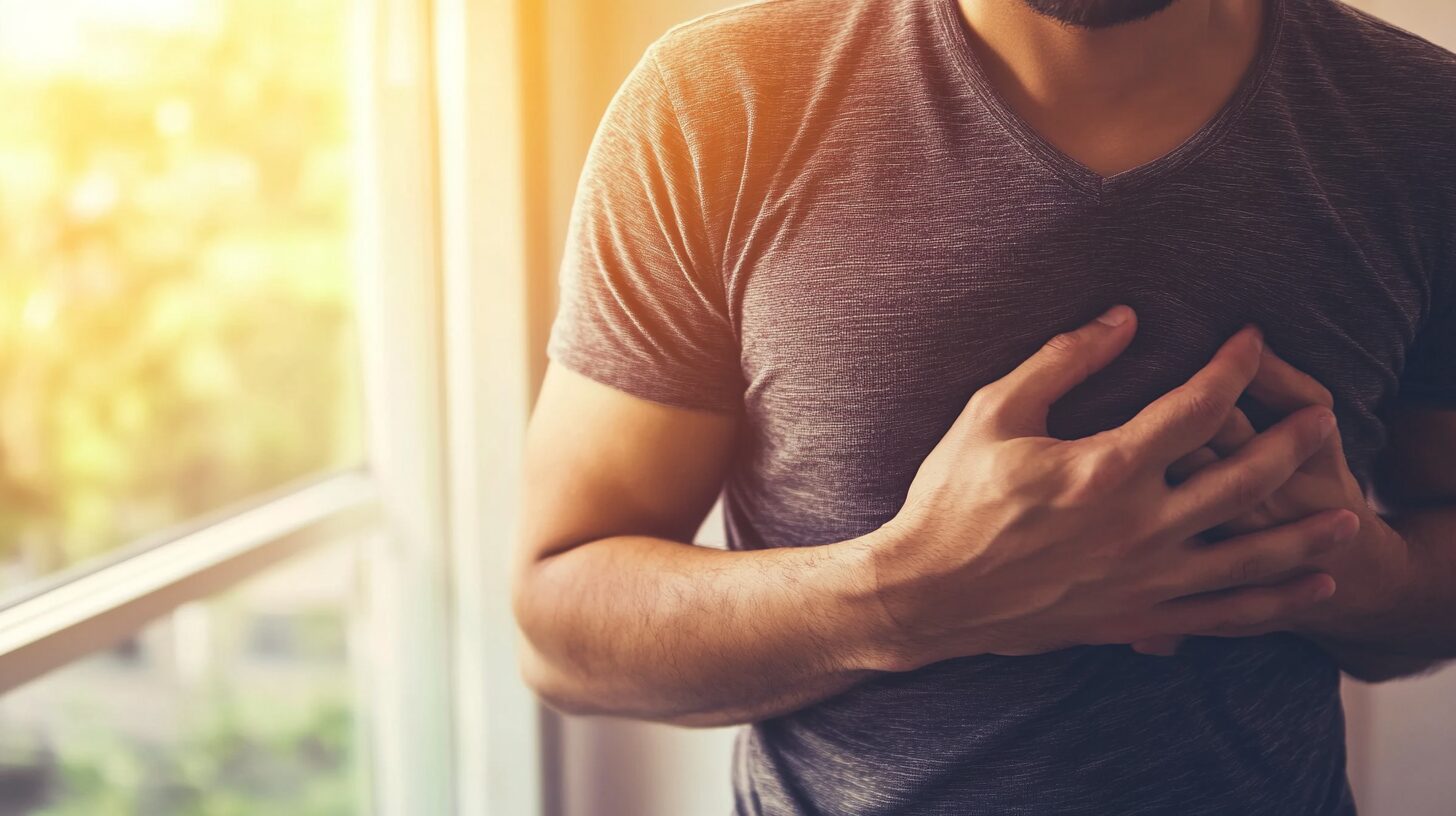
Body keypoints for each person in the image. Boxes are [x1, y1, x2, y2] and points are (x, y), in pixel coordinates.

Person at [512, 0, 1456, 812]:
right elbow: (563, 630)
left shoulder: (1426, 128)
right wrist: (905, 597)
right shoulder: (715, 105)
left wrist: (1348, 569)